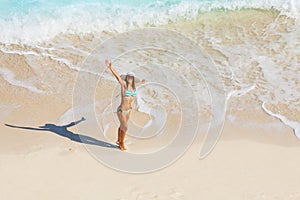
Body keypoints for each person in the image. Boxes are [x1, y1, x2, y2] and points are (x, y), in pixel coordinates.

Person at [105, 59, 146, 151]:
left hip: (128, 110)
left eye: (131, 77)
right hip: (122, 110)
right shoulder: (124, 85)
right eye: (128, 77)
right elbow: (117, 77)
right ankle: (122, 144)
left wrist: (143, 82)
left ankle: (119, 140)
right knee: (125, 127)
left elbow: (140, 83)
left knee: (122, 126)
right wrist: (110, 67)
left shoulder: (134, 86)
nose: (129, 78)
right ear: (126, 78)